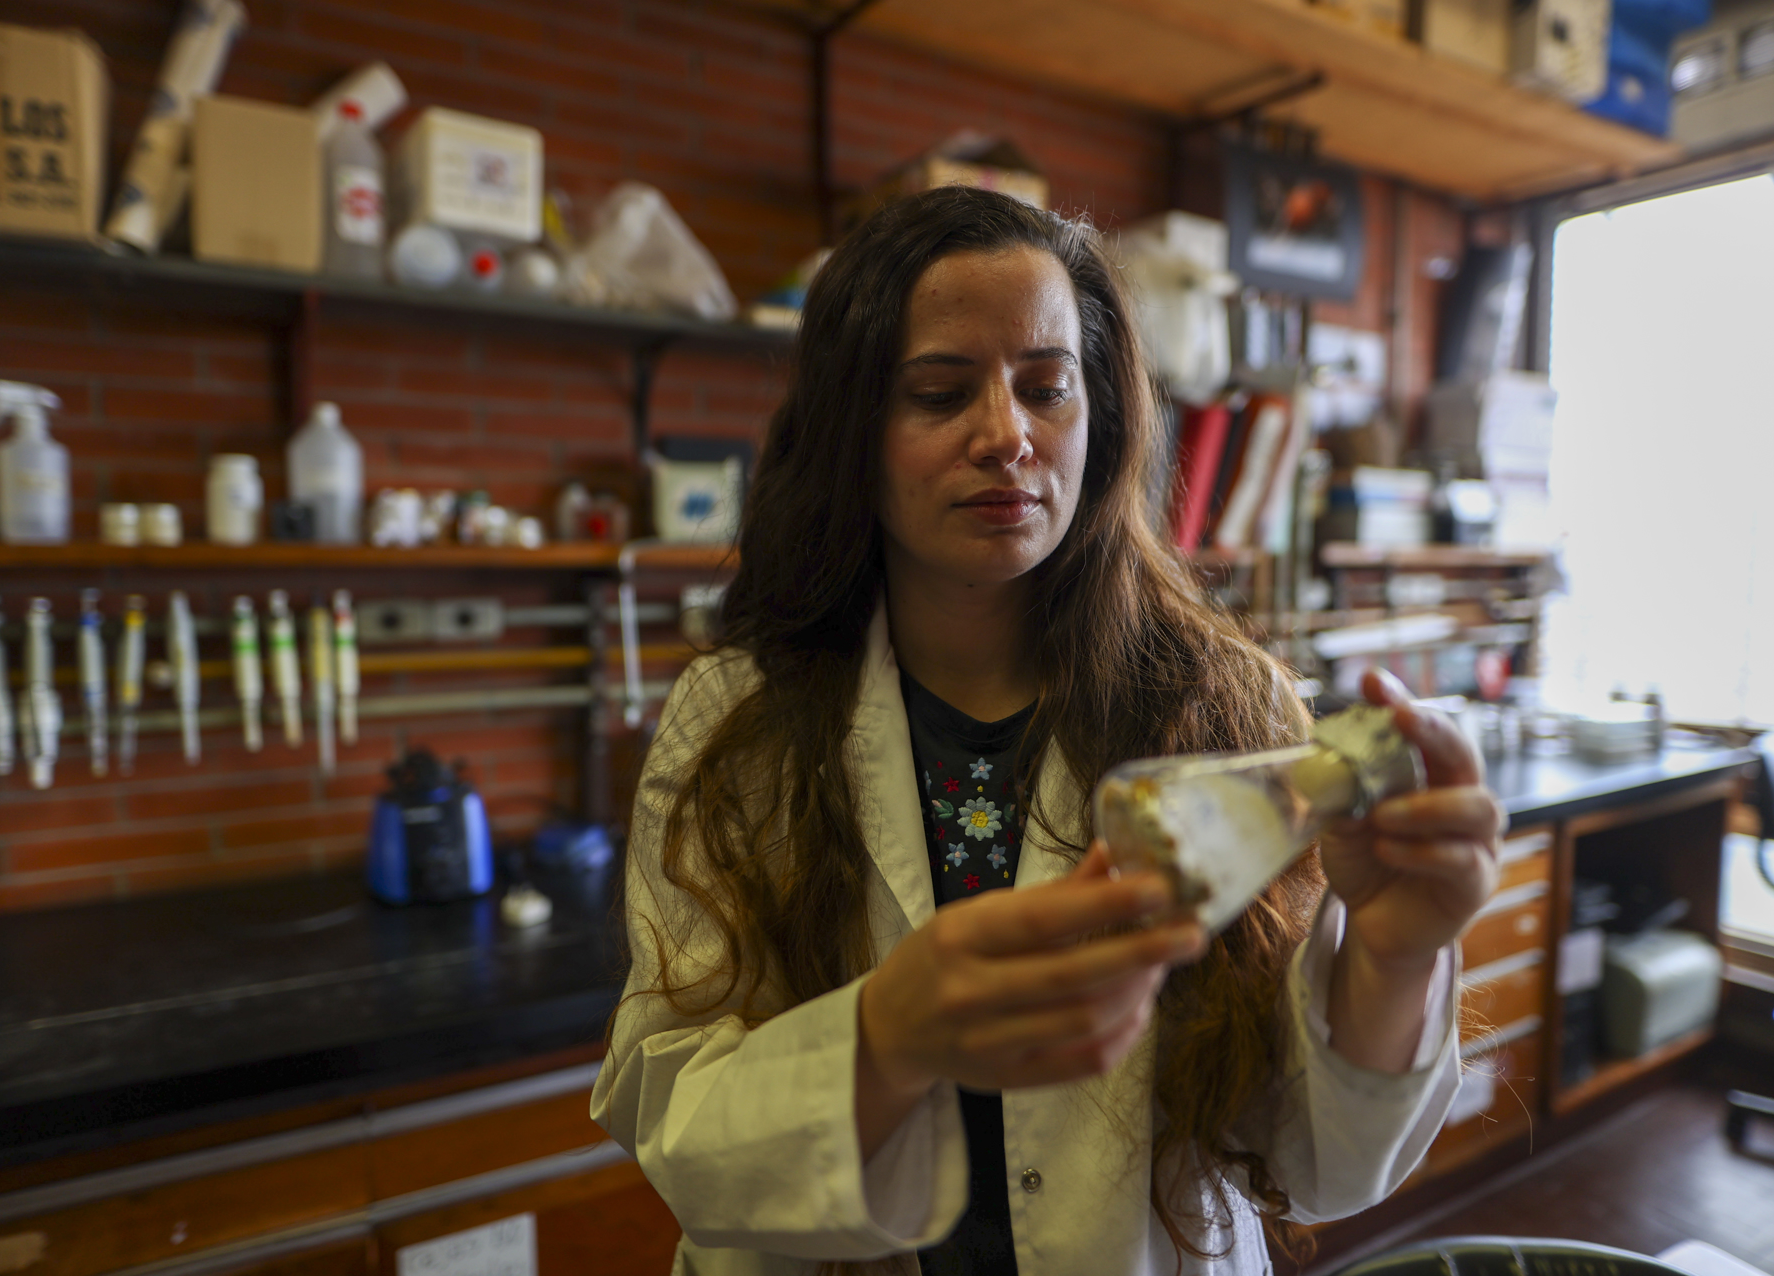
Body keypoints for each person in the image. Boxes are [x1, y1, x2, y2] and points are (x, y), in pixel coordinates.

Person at [591, 186, 1504, 1276]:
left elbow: (1318, 1164)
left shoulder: (1230, 704)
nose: (1007, 435)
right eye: (938, 392)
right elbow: (683, 1134)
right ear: (850, 432)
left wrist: (1395, 955)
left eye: (1046, 387)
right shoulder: (734, 721)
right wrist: (888, 1035)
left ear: (1097, 416)